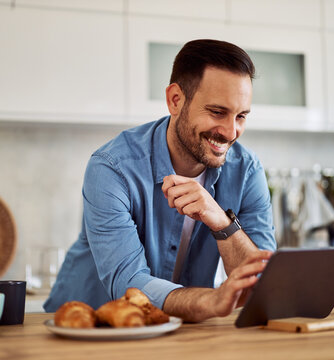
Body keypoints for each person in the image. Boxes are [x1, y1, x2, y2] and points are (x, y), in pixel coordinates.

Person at [43, 39, 276, 322]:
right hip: (87, 328)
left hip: (179, 332)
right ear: (175, 100)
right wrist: (210, 300)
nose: (230, 132)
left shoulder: (247, 170)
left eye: (240, 116)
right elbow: (129, 283)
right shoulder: (112, 168)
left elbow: (265, 285)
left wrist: (222, 223)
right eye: (217, 112)